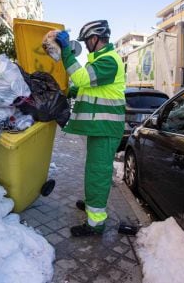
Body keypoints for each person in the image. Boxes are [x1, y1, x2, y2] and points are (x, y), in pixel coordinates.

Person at [54, 20, 126, 237]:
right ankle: (91, 204)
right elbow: (87, 86)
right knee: (93, 170)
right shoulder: (100, 61)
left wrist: (66, 51)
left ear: (96, 39)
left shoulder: (109, 61)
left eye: (87, 41)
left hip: (106, 129)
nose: (85, 45)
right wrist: (72, 91)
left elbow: (83, 77)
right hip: (100, 128)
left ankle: (96, 224)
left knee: (98, 174)